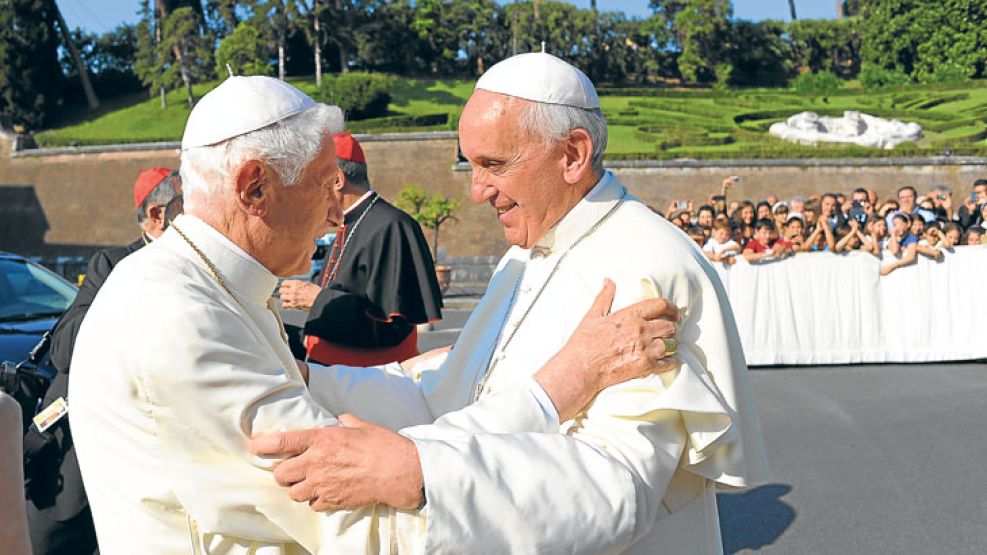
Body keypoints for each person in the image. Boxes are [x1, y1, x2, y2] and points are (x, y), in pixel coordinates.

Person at [69, 75, 684, 554]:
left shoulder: (193, 285)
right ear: (254, 187)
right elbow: (359, 511)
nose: (337, 213)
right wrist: (560, 383)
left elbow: (316, 397)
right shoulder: (178, 316)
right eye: (324, 183)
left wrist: (426, 379)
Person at [253, 54, 769, 554]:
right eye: (470, 165)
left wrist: (422, 471)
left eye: (493, 165)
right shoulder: (524, 254)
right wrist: (308, 380)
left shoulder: (646, 266)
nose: (478, 192)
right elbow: (450, 399)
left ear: (572, 154)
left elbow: (619, 484)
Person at [24, 167, 182, 555]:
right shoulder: (114, 264)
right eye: (187, 204)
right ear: (158, 215)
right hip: (84, 446)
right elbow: (64, 349)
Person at [278, 131, 443, 366]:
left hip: (368, 386)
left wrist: (317, 299)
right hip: (334, 379)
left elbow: (390, 327)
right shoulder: (349, 224)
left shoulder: (391, 227)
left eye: (312, 182)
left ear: (337, 179)